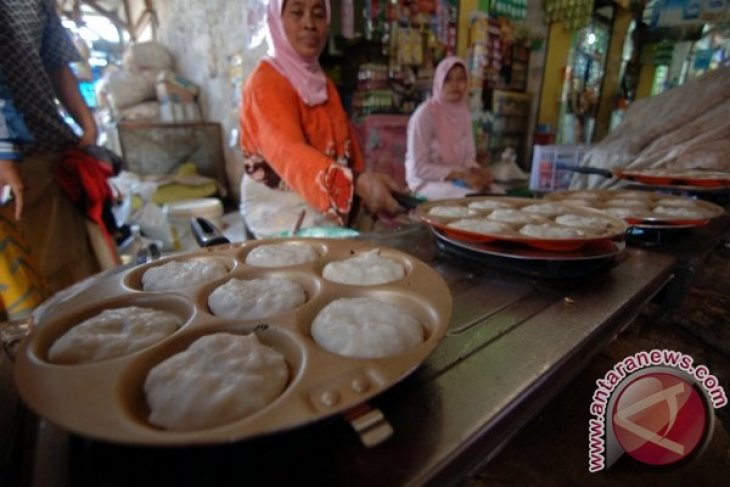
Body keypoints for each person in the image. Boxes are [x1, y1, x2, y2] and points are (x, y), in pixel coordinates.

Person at [239, 0, 403, 237]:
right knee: (333, 252)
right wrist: (356, 183)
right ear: (276, 19)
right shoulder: (264, 82)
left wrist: (364, 181)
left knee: (381, 236)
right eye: (297, 13)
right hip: (275, 199)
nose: (309, 24)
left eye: (318, 14)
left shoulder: (322, 83)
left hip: (323, 191)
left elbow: (347, 142)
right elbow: (288, 151)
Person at [0, 0, 101, 296]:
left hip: (47, 149)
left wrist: (86, 121)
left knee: (69, 277)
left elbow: (56, 62)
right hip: (13, 163)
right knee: (22, 292)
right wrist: (3, 149)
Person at [405, 56, 493, 200]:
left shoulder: (464, 114)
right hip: (426, 182)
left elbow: (468, 158)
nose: (455, 85)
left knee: (496, 195)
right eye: (448, 79)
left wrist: (479, 171)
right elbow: (418, 168)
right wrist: (460, 174)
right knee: (469, 200)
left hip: (457, 180)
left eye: (460, 79)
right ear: (439, 82)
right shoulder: (425, 114)